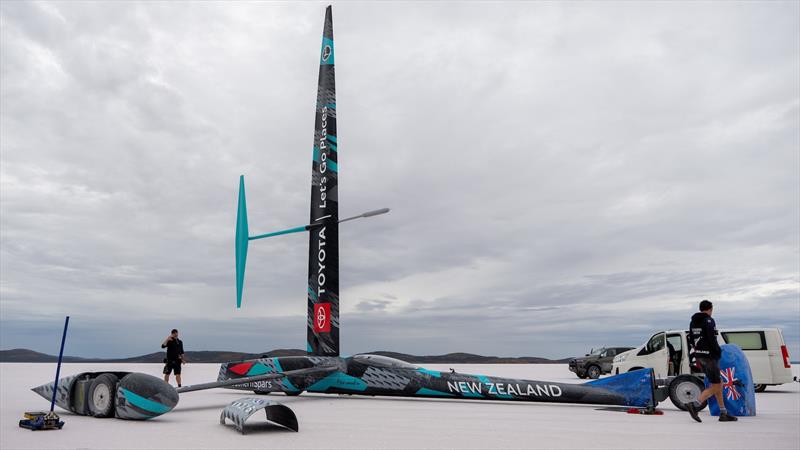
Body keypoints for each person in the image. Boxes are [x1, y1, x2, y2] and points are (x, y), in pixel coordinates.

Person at [686, 300, 737, 422]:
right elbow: (711, 338)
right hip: (710, 357)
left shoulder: (692, 322)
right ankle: (695, 404)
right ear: (710, 309)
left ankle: (723, 413)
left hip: (700, 356)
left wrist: (698, 351)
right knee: (716, 385)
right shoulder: (709, 320)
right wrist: (717, 351)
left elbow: (691, 339)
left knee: (717, 383)